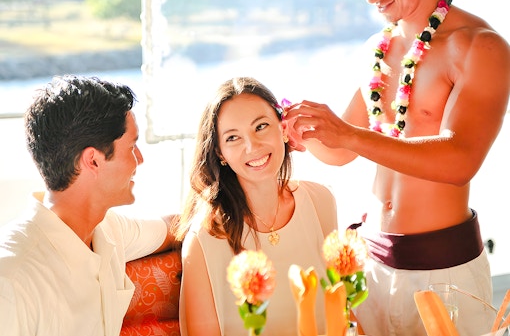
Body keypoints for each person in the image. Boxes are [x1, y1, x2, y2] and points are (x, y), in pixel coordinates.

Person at [284, 0, 510, 336]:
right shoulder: (380, 47)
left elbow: (459, 161)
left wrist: (347, 135)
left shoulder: (480, 46)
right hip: (371, 263)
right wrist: (298, 127)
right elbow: (339, 152)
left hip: (442, 272)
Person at [0, 75, 179, 336]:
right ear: (93, 161)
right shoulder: (12, 278)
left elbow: (175, 226)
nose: (139, 160)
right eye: (132, 146)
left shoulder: (109, 230)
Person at [175, 77, 338, 336]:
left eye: (260, 127)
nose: (252, 146)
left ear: (283, 128)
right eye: (233, 138)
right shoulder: (205, 237)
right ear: (220, 154)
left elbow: (340, 309)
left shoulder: (320, 202)